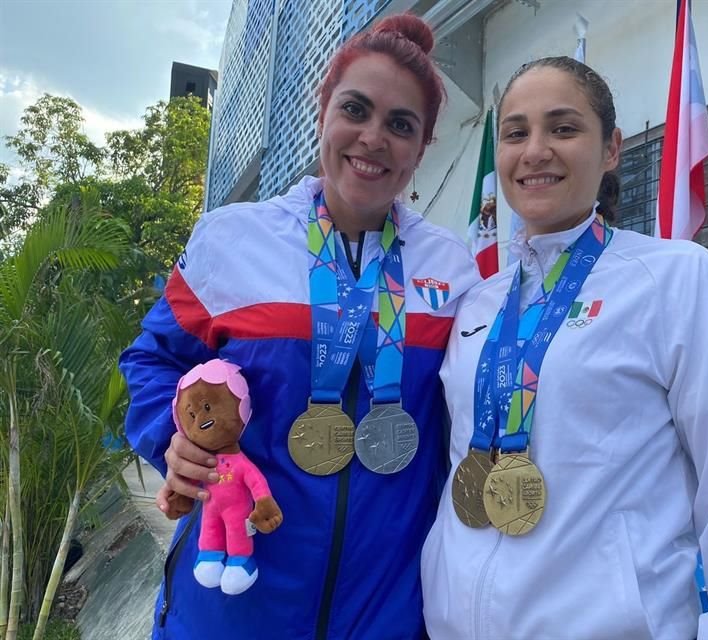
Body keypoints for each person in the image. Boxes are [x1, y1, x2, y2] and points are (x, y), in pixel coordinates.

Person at [120, 14, 479, 640]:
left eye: (401, 125)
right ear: (323, 113)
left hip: (387, 613)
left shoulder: (453, 270)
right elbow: (152, 360)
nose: (373, 138)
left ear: (422, 149)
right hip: (230, 601)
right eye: (356, 110)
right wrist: (170, 436)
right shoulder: (232, 241)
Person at [421, 56, 708, 640]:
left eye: (564, 127)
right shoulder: (478, 302)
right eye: (516, 132)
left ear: (612, 149)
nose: (536, 150)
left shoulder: (675, 278)